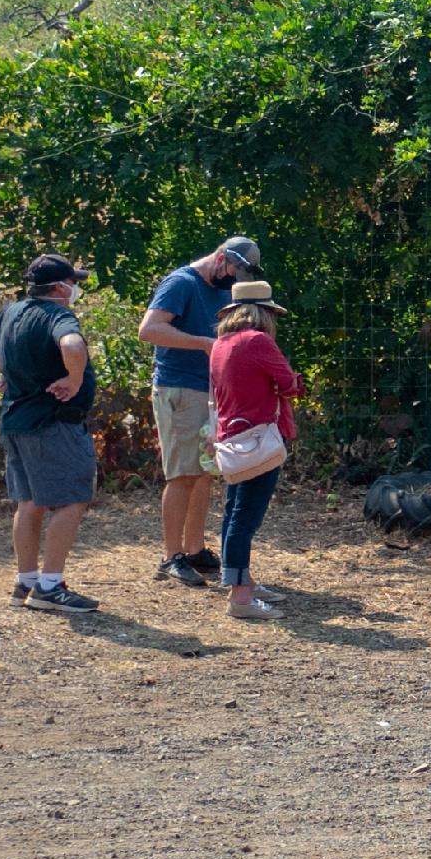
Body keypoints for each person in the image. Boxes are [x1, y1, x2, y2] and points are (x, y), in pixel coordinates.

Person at [0, 254, 100, 614]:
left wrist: (6, 370)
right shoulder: (58, 315)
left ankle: (26, 581)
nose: (75, 289)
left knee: (29, 502)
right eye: (73, 283)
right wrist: (74, 380)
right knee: (73, 499)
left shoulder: (11, 312)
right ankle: (50, 586)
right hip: (53, 422)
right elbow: (73, 346)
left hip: (16, 420)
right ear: (61, 287)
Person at [136, 233, 262, 591]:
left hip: (209, 390)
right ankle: (171, 556)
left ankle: (194, 550)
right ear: (221, 256)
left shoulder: (225, 287)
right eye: (236, 269)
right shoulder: (181, 283)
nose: (236, 279)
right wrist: (203, 343)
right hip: (179, 389)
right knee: (182, 474)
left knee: (205, 471)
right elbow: (149, 330)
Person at [205, 280, 303, 626]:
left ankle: (242, 581)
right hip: (259, 439)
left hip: (232, 437)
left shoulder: (220, 343)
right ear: (263, 313)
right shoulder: (258, 340)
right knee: (246, 518)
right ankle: (240, 598)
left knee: (234, 513)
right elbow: (289, 384)